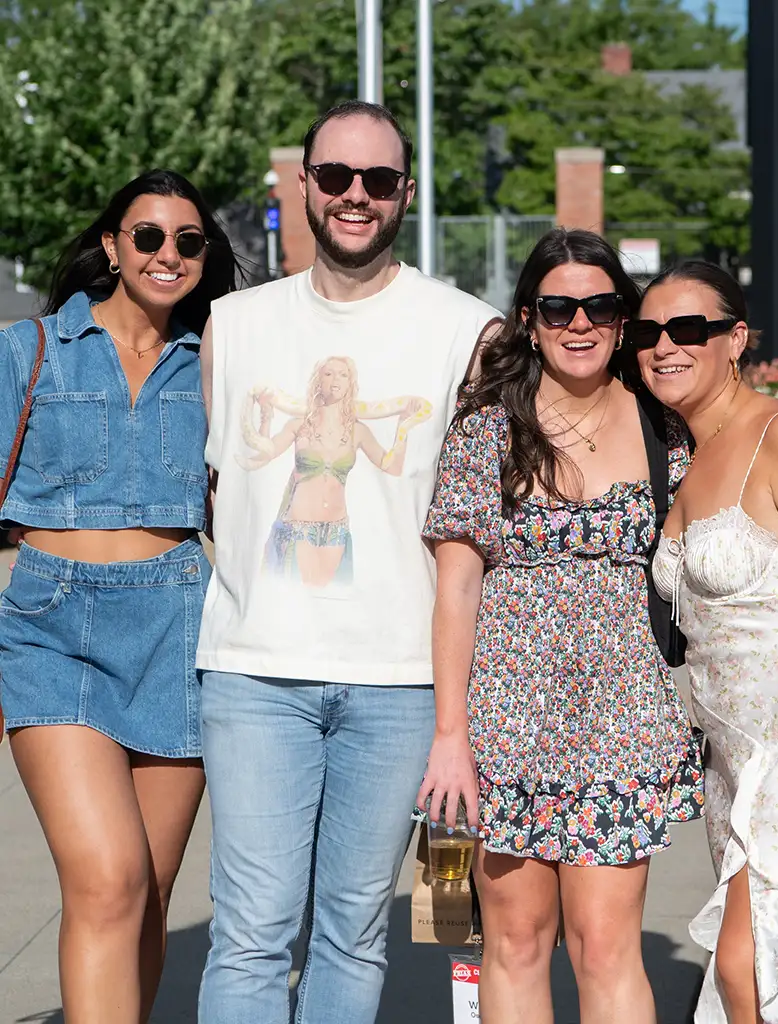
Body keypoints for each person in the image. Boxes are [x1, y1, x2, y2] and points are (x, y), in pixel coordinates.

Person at [196, 99, 499, 1024]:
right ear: (305, 186)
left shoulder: (467, 331)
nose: (354, 196)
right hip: (255, 674)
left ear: (405, 192)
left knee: (353, 933)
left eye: (376, 180)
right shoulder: (232, 325)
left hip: (400, 684)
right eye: (335, 177)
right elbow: (207, 492)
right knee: (248, 935)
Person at [417, 228, 704, 1024]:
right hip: (505, 725)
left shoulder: (665, 432)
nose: (580, 323)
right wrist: (451, 736)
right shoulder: (485, 432)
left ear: (623, 319)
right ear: (529, 318)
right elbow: (456, 592)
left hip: (623, 722)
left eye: (601, 305)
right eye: (558, 306)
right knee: (513, 940)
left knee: (608, 946)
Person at [0, 169, 238, 1024]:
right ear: (112, 246)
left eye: (187, 241)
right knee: (107, 879)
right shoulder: (26, 352)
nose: (166, 254)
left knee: (147, 895)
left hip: (177, 623)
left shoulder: (217, 363)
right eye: (147, 236)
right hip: (48, 627)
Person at [636, 261, 778, 1023]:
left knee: (747, 968)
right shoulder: (680, 455)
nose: (665, 345)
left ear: (735, 338)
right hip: (728, 767)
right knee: (758, 975)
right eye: (647, 332)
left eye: (688, 328)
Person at [237, 355, 431, 586]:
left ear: (351, 383)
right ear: (318, 381)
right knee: (292, 605)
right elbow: (265, 452)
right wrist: (266, 415)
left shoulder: (358, 431)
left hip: (335, 534)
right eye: (328, 374)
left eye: (343, 374)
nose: (335, 379)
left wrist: (404, 425)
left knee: (332, 607)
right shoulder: (299, 425)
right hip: (297, 531)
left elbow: (393, 466)